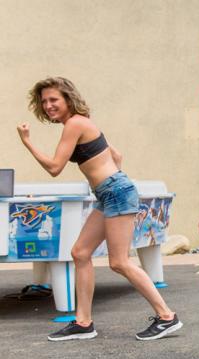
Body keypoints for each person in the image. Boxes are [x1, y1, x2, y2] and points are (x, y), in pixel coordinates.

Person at [18, 77, 183, 342]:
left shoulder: (74, 123)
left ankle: (167, 316)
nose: (48, 105)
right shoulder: (84, 122)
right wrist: (108, 176)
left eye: (53, 100)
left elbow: (54, 168)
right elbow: (116, 155)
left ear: (68, 99)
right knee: (80, 252)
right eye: (44, 101)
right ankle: (83, 323)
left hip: (114, 192)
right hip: (109, 192)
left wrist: (27, 141)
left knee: (119, 262)